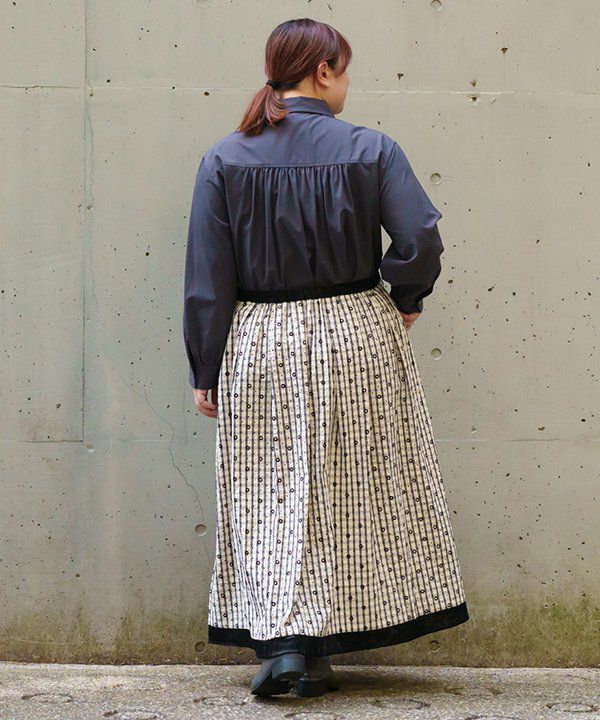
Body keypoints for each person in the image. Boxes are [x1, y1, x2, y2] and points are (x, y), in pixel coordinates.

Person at [182, 17, 470, 698]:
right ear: (322, 72)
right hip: (354, 332)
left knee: (268, 491)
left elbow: (207, 276)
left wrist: (205, 365)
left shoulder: (225, 157)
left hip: (261, 338)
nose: (346, 83)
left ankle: (287, 646)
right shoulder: (371, 148)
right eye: (345, 70)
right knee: (345, 488)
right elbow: (421, 237)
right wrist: (407, 295)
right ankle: (310, 648)